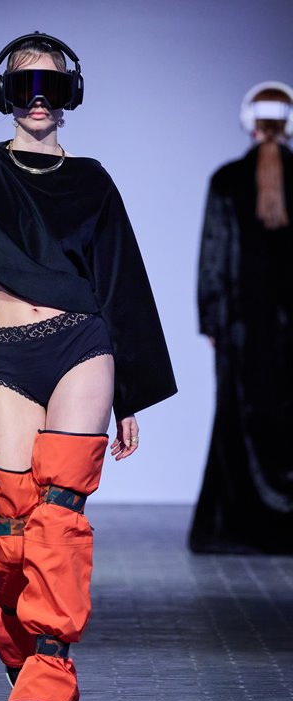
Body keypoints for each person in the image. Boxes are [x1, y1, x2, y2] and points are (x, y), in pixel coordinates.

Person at [0, 32, 176, 701]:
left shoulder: (93, 182)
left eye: (51, 86)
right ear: (3, 94)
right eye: (23, 85)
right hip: (9, 350)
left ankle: (51, 672)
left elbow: (121, 284)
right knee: (11, 527)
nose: (37, 98)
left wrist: (129, 395)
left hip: (83, 342)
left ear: (70, 96)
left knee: (60, 512)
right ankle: (21, 647)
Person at [189, 81, 293, 554]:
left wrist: (213, 322)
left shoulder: (226, 180)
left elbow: (213, 257)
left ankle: (237, 529)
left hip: (242, 329)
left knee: (238, 419)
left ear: (249, 124)